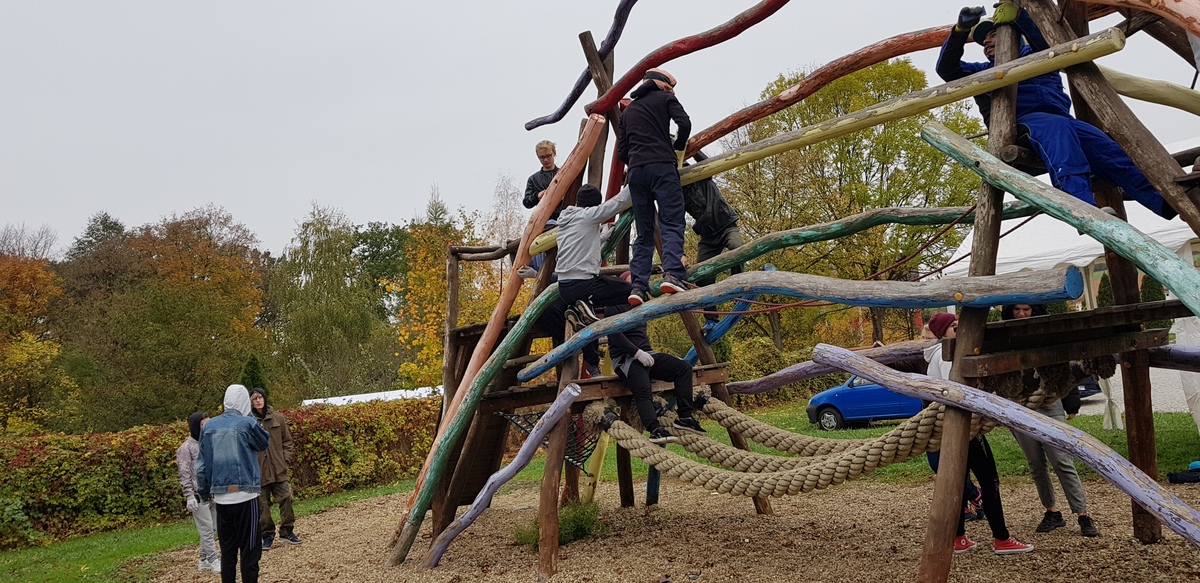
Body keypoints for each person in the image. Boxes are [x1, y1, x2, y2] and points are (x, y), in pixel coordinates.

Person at [936, 3, 1177, 221]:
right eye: (982, 41)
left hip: (1062, 121)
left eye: (993, 35)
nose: (986, 43)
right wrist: (959, 31)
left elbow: (1045, 42)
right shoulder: (982, 71)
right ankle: (1082, 207)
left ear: (1016, 39)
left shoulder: (1041, 56)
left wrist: (1020, 16)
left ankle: (1166, 202)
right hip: (1021, 126)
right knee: (1059, 135)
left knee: (1106, 147)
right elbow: (947, 69)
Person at [923, 312, 1034, 555]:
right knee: (989, 480)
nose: (959, 330)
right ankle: (1001, 538)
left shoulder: (935, 355)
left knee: (958, 484)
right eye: (953, 327)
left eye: (959, 325)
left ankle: (958, 537)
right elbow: (957, 391)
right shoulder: (948, 357)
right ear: (943, 333)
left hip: (946, 428)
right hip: (963, 428)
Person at [1000, 304, 1101, 537]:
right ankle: (1052, 511)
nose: (1022, 314)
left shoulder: (1047, 335)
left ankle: (1082, 514)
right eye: (1017, 310)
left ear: (1035, 310)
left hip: (1048, 402)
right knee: (1036, 464)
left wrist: (1072, 402)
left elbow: (1064, 371)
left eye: (1027, 309)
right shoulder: (1004, 337)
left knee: (1061, 460)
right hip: (1020, 405)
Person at [617, 68, 692, 305]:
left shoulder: (628, 112)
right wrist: (677, 147)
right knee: (672, 221)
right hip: (662, 165)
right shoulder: (666, 98)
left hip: (637, 173)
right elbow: (685, 123)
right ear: (661, 85)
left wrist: (638, 161)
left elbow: (622, 152)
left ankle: (638, 286)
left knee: (644, 230)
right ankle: (672, 274)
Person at [605, 273, 706, 444]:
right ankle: (654, 429)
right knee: (643, 387)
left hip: (647, 353)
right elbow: (615, 336)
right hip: (625, 358)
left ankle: (685, 416)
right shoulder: (613, 306)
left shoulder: (639, 304)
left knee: (683, 368)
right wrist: (637, 353)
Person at [198, 384, 271, 583]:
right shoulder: (247, 424)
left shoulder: (209, 427)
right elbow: (264, 442)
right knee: (250, 550)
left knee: (228, 553)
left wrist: (205, 493)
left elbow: (202, 466)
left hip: (221, 498)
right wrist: (250, 419)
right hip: (246, 494)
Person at [683, 149, 744, 333]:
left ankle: (737, 284)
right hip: (708, 236)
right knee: (703, 275)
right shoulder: (679, 193)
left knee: (737, 248)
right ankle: (711, 319)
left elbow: (707, 161)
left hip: (726, 225)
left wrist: (691, 150)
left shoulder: (702, 176)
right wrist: (680, 253)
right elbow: (674, 223)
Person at [556, 184, 635, 324]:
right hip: (583, 285)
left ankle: (581, 309)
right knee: (629, 290)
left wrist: (603, 237)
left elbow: (581, 244)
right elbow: (617, 203)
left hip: (564, 288)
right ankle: (586, 304)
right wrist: (636, 177)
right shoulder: (588, 215)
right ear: (593, 206)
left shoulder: (564, 222)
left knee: (588, 331)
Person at [519, 249, 604, 378]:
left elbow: (570, 275)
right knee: (546, 311)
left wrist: (539, 275)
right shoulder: (537, 250)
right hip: (551, 297)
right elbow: (520, 264)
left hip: (573, 288)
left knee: (584, 311)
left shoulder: (567, 243)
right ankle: (569, 343)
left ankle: (592, 364)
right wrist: (512, 251)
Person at [249, 388, 299, 550]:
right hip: (259, 472)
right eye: (254, 398)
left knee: (287, 499)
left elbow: (288, 442)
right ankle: (267, 535)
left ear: (265, 398)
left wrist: (285, 459)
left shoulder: (278, 418)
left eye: (260, 397)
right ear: (250, 401)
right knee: (262, 506)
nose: (258, 401)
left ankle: (287, 531)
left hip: (279, 469)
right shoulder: (248, 422)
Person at [177, 411, 220, 574]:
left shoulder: (209, 443)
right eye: (203, 425)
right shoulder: (186, 448)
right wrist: (189, 495)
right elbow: (184, 473)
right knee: (207, 528)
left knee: (213, 528)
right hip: (197, 495)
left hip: (212, 492)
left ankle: (203, 559)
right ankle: (214, 558)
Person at [523, 140, 562, 219]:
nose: (546, 160)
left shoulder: (564, 174)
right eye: (542, 157)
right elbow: (526, 202)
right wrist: (537, 195)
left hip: (565, 217)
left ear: (554, 153)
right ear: (538, 157)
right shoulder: (533, 179)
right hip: (544, 220)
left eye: (548, 156)